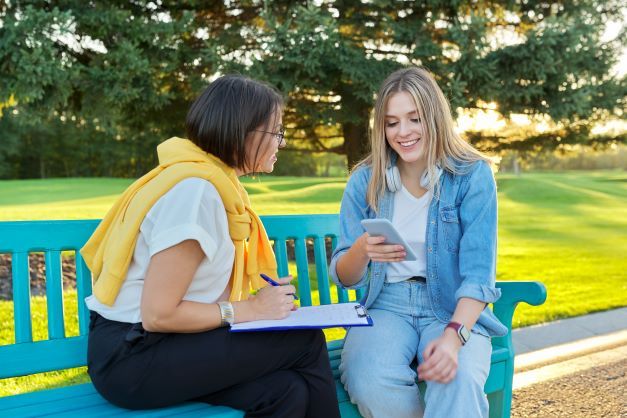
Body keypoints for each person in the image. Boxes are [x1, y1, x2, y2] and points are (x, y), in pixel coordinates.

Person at [81, 75, 341, 418]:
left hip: (167, 346)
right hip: (132, 358)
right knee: (304, 341)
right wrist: (250, 310)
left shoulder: (216, 186)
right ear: (243, 132)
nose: (281, 142)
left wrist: (258, 307)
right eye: (276, 131)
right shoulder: (195, 192)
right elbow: (158, 314)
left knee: (285, 392)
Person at [329, 66, 508, 418]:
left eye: (415, 119)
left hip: (451, 306)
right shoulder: (364, 181)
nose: (403, 132)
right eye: (392, 122)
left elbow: (478, 275)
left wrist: (455, 336)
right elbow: (344, 276)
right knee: (369, 378)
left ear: (435, 117)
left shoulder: (473, 176)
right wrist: (361, 250)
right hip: (386, 306)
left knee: (457, 378)